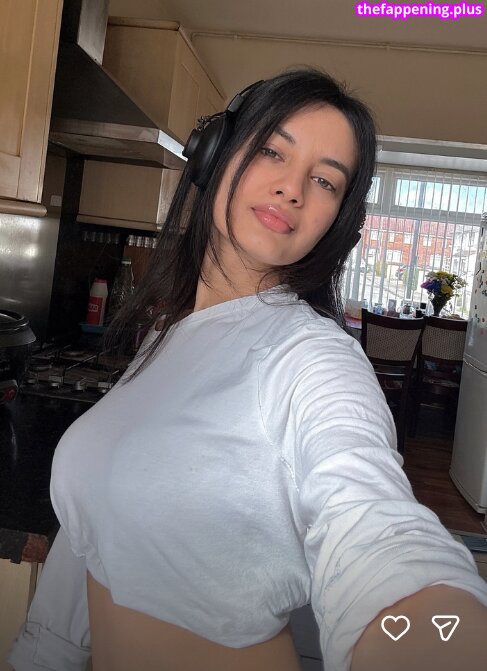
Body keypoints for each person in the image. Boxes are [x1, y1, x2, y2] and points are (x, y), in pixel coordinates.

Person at [8, 68, 487, 671]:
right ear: (214, 155)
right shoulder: (168, 336)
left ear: (338, 221)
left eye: (325, 180)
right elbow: (94, 539)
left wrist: (432, 628)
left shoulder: (312, 356)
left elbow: (375, 529)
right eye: (271, 151)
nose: (293, 189)